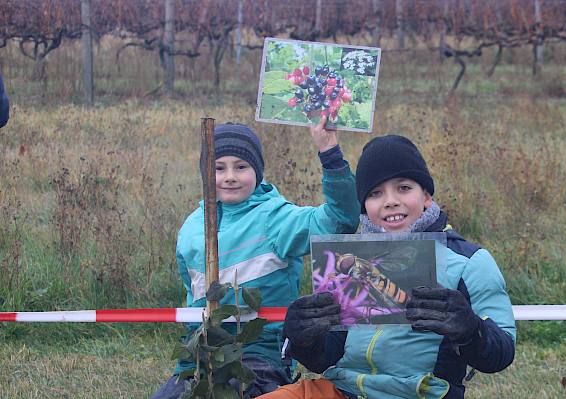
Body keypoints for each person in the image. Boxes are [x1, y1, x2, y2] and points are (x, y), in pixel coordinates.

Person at [261, 135, 516, 399]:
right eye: (375, 193)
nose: (390, 201)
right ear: (364, 206)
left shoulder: (469, 260)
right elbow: (329, 358)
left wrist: (471, 331)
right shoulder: (348, 259)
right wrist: (304, 339)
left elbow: (502, 353)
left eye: (404, 188)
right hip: (343, 390)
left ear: (426, 195)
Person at [151, 119, 360, 398]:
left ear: (257, 171)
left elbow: (340, 220)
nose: (230, 177)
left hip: (260, 355)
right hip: (201, 355)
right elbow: (193, 297)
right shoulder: (191, 228)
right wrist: (194, 353)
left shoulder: (276, 219)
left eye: (241, 167)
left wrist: (329, 153)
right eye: (218, 167)